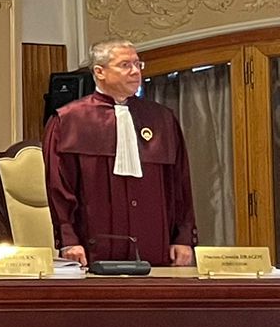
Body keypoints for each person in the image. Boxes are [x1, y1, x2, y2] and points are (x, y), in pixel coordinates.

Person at [44, 38, 196, 266]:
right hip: (94, 249)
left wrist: (183, 237)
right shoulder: (68, 120)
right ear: (100, 71)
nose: (135, 71)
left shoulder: (162, 119)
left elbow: (179, 184)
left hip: (154, 247)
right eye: (125, 65)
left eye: (137, 64)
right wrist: (68, 240)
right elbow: (59, 187)